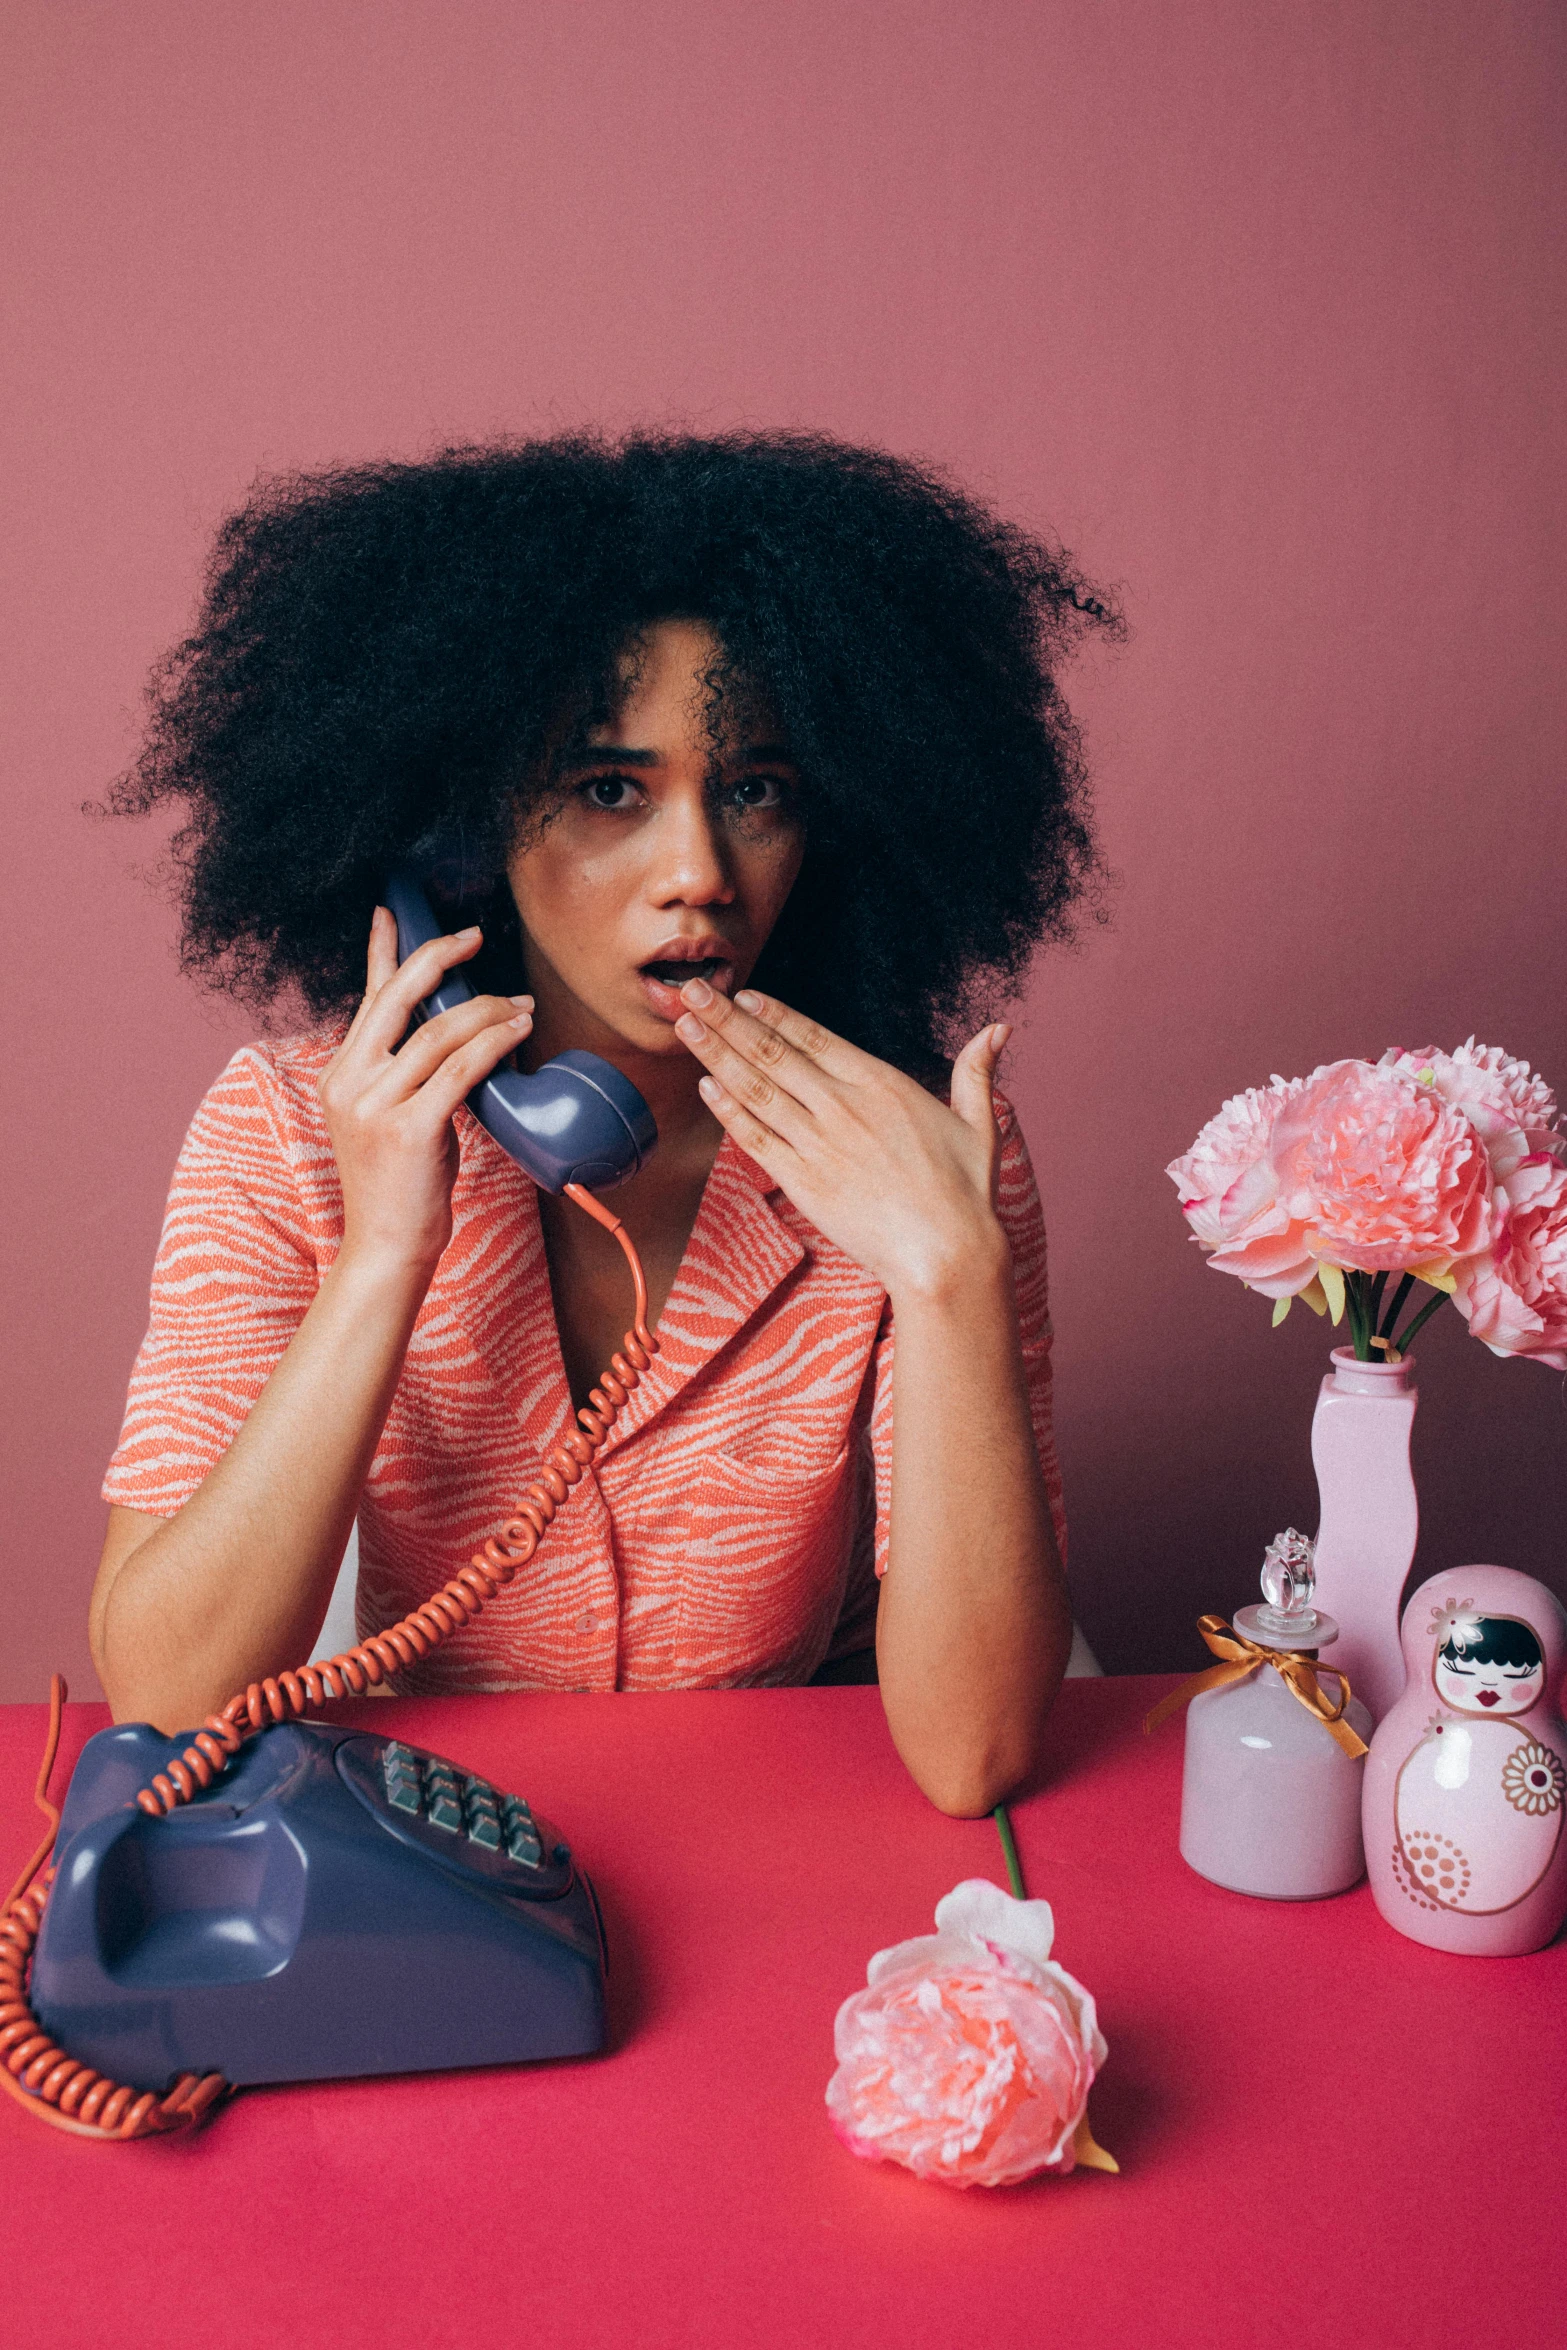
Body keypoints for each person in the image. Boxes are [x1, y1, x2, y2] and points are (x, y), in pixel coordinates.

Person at [89, 432, 1116, 1815]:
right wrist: (384, 1253)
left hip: (781, 1851)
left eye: (754, 789)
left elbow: (974, 1755)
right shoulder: (285, 1128)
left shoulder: (923, 1153)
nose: (697, 874)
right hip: (429, 1848)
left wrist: (948, 1274)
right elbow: (162, 1700)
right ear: (464, 836)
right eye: (608, 790)